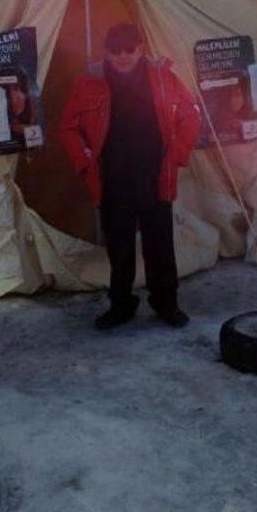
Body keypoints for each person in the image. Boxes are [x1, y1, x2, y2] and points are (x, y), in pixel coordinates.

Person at [59, 23, 200, 329]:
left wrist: (177, 154)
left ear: (141, 49)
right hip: (112, 179)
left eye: (130, 50)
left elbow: (191, 115)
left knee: (160, 245)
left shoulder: (163, 78)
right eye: (115, 51)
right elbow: (68, 128)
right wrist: (84, 161)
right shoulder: (89, 83)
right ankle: (121, 305)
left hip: (154, 175)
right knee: (119, 247)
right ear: (106, 52)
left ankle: (166, 302)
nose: (123, 57)